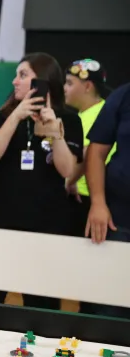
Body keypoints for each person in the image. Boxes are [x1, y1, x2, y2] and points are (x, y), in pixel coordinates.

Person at [0, 53, 82, 310]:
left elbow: (67, 169)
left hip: (45, 221)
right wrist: (16, 117)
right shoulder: (5, 116)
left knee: (42, 300)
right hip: (1, 218)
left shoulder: (68, 119)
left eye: (23, 75)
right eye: (16, 74)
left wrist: (54, 131)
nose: (15, 81)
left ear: (43, 82)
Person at [82, 81, 130, 319]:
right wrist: (98, 203)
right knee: (108, 304)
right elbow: (97, 151)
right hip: (118, 218)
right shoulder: (123, 95)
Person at [63, 59, 115, 236]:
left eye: (69, 83)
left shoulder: (99, 114)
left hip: (85, 198)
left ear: (87, 87)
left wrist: (67, 182)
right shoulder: (87, 114)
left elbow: (87, 156)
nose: (64, 88)